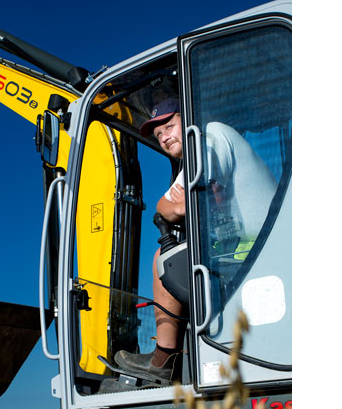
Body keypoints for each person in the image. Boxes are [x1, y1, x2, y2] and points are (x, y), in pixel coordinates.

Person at [114, 97, 277, 383]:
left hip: (260, 252)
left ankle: (164, 358)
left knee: (163, 260)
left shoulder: (210, 136)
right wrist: (174, 205)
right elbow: (164, 206)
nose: (164, 136)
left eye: (169, 125)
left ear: (189, 118)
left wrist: (179, 205)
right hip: (257, 249)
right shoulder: (195, 154)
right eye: (158, 134)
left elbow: (183, 204)